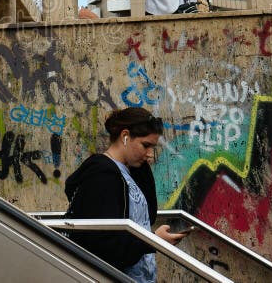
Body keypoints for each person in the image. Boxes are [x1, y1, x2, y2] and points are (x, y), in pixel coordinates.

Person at [64, 108, 185, 281]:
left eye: (153, 147)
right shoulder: (102, 177)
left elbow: (145, 218)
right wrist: (153, 241)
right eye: (146, 145)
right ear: (125, 136)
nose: (150, 155)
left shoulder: (134, 171)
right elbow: (104, 244)